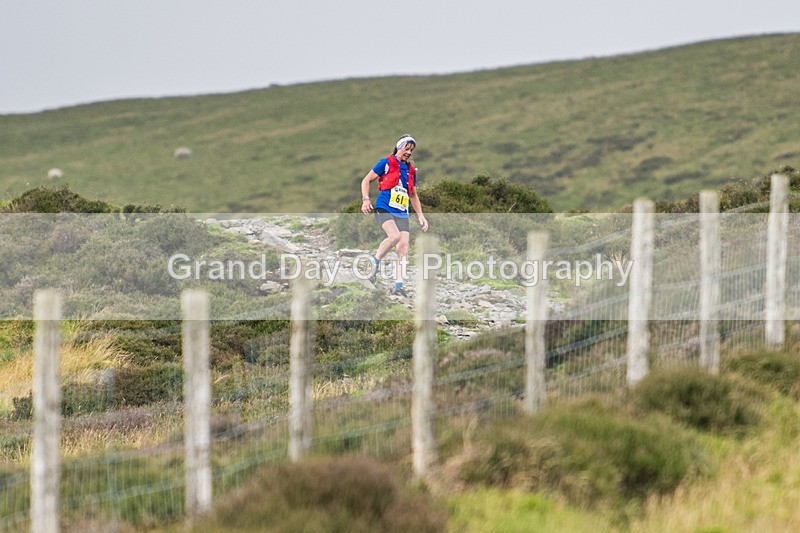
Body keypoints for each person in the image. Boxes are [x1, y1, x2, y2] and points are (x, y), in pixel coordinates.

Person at [360, 134, 429, 296]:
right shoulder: (385, 163)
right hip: (384, 207)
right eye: (406, 148)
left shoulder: (411, 170)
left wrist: (420, 215)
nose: (409, 152)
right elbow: (366, 180)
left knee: (403, 247)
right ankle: (374, 262)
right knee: (394, 236)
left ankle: (399, 286)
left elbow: (412, 195)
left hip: (402, 212)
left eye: (411, 150)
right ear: (399, 147)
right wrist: (365, 200)